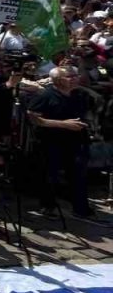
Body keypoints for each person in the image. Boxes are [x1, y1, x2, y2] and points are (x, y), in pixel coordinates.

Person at [27, 66, 104, 224]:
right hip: (51, 141)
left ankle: (80, 208)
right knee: (50, 175)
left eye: (75, 75)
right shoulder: (45, 95)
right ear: (57, 80)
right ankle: (47, 207)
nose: (75, 78)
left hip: (76, 141)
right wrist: (63, 124)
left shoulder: (79, 95)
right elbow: (33, 118)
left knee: (78, 174)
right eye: (70, 76)